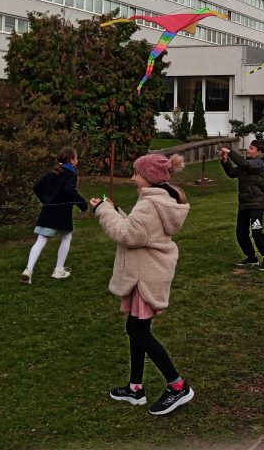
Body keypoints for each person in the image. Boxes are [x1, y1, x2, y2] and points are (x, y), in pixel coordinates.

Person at [89, 153, 194, 416]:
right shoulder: (157, 199)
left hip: (144, 276)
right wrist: (114, 210)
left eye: (136, 173)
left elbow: (126, 234)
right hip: (145, 273)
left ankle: (178, 386)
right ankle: (135, 388)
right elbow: (138, 230)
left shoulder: (149, 204)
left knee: (139, 332)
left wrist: (102, 210)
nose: (132, 178)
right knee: (135, 329)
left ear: (148, 177)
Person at [21, 146, 88, 284]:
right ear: (71, 160)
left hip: (48, 211)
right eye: (76, 157)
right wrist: (83, 205)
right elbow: (69, 191)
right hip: (62, 213)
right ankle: (58, 270)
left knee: (41, 239)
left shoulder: (52, 173)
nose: (77, 160)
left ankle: (28, 270)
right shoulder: (70, 175)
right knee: (66, 237)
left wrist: (46, 201)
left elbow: (37, 187)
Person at [220, 139, 264, 271]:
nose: (247, 150)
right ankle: (251, 257)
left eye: (251, 148)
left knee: (256, 231)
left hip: (257, 204)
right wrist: (225, 161)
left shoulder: (259, 163)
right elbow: (232, 173)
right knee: (241, 233)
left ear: (259, 152)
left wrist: (230, 152)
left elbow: (244, 163)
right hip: (244, 204)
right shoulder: (245, 164)